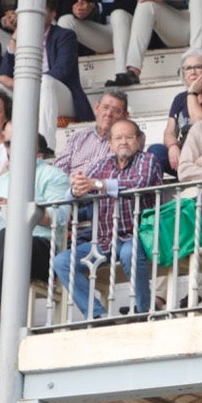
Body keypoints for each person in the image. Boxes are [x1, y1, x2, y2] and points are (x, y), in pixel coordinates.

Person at [0, 134, 73, 330]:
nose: (12, 148)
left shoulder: (53, 175)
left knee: (9, 235)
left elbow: (58, 217)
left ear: (36, 149)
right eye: (8, 144)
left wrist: (16, 208)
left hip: (39, 249)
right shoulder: (1, 181)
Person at [52, 119, 161, 320]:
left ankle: (143, 311)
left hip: (138, 237)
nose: (124, 142)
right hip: (103, 242)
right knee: (62, 261)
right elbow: (78, 191)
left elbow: (138, 183)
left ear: (138, 140)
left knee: (130, 254)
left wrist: (99, 184)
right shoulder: (101, 164)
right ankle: (96, 314)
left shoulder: (147, 160)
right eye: (118, 138)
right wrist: (75, 190)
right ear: (109, 143)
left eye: (129, 137)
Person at [0, 0, 92, 146]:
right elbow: (4, 73)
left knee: (46, 81)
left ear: (52, 14)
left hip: (61, 97)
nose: (34, 15)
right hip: (29, 91)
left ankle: (46, 146)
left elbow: (61, 72)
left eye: (40, 10)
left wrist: (20, 84)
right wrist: (14, 38)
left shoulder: (65, 36)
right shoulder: (22, 36)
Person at [55, 90, 129, 177]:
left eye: (116, 111)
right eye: (105, 107)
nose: (108, 114)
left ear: (125, 116)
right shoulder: (78, 137)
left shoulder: (127, 142)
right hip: (70, 186)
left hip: (102, 188)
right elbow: (58, 169)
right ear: (96, 108)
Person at [163, 53, 202, 177]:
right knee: (156, 151)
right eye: (188, 68)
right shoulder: (180, 98)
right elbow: (169, 131)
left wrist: (192, 92)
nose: (193, 72)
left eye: (198, 67)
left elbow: (199, 122)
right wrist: (173, 146)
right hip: (183, 155)